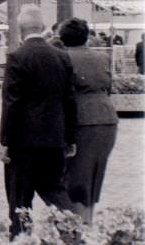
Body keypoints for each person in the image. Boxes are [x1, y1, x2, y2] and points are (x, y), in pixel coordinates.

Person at [0, 5, 77, 238]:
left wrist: (4, 141)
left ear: (20, 29)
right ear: (42, 27)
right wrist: (70, 138)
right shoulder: (62, 57)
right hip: (54, 140)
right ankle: (75, 235)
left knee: (20, 200)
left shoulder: (16, 58)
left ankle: (21, 239)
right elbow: (69, 100)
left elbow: (11, 104)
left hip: (22, 144)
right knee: (56, 192)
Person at [59, 18, 118, 225]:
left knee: (75, 178)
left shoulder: (63, 58)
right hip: (107, 119)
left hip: (81, 122)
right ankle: (88, 224)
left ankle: (78, 229)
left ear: (62, 37)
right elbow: (108, 87)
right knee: (94, 176)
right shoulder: (102, 57)